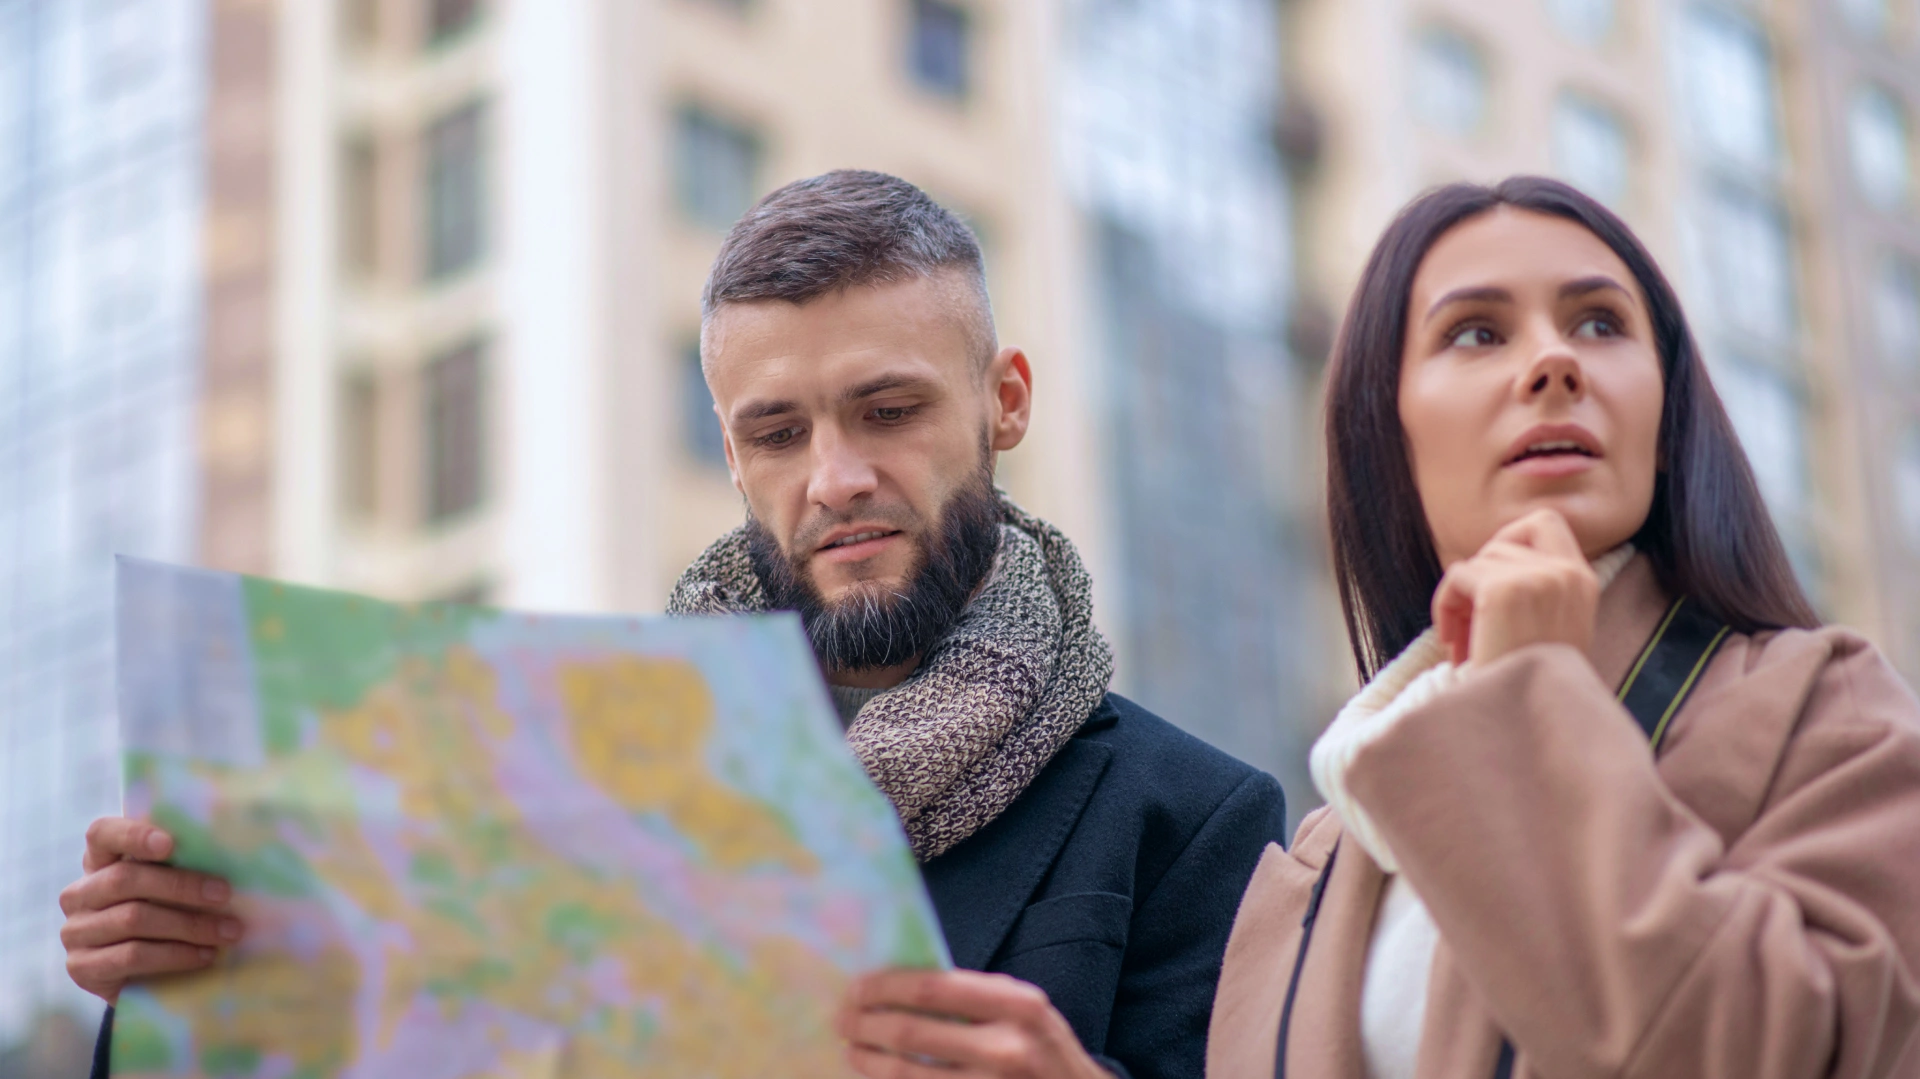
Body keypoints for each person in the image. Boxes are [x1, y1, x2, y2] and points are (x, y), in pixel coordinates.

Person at [58, 170, 1288, 1079]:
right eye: (778, 431)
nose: (836, 474)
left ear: (1003, 401)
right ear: (731, 452)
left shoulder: (1192, 820)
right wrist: (181, 982)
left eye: (888, 408)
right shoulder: (552, 779)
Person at [1207, 176, 1920, 1079]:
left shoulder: (1827, 711)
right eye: (1477, 332)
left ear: (1665, 417)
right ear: (1388, 434)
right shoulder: (1315, 862)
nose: (1553, 364)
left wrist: (1529, 694)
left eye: (1599, 324)